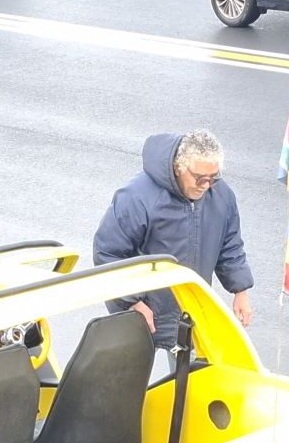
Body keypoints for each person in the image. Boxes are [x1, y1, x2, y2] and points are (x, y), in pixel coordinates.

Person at [93, 130, 253, 350]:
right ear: (179, 167)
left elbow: (230, 246)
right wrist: (131, 302)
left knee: (193, 382)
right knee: (132, 380)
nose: (206, 185)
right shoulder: (137, 198)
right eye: (199, 178)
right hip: (144, 312)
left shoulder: (222, 196)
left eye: (213, 178)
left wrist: (240, 291)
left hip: (192, 313)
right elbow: (109, 253)